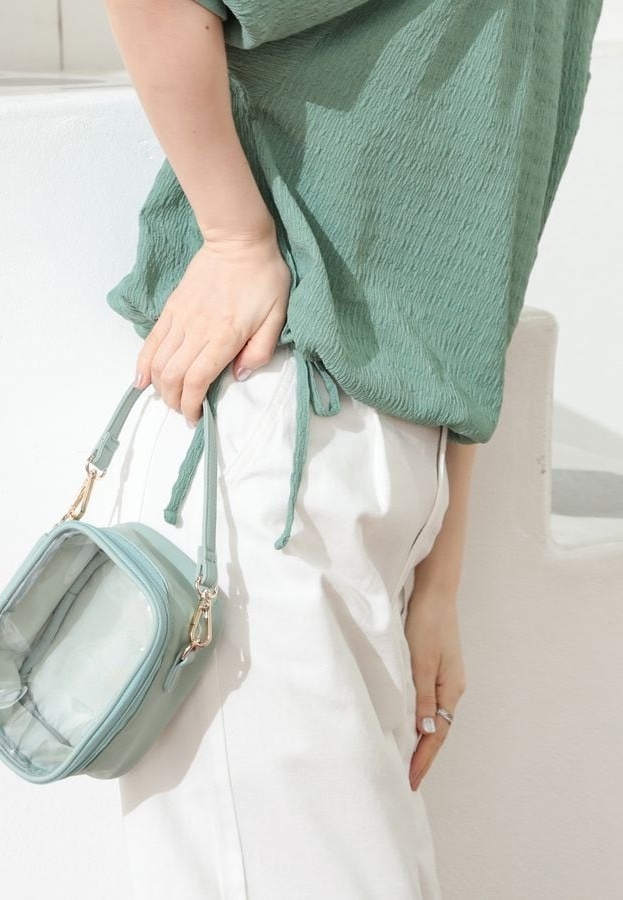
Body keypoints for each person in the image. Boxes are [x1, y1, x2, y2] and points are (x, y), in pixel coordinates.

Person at [102, 1, 603, 897]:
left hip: (355, 481)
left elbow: (477, 256)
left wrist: (440, 570)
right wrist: (235, 236)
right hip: (267, 450)